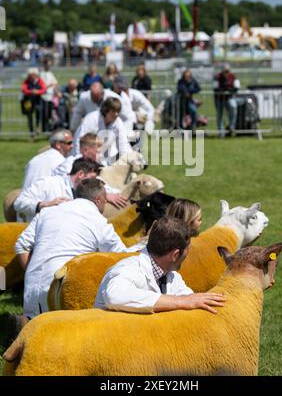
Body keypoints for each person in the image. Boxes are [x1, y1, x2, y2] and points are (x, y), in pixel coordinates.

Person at [15, 178, 144, 320]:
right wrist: (142, 245)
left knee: (34, 328)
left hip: (31, 287)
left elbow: (21, 244)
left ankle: (22, 323)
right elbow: (120, 255)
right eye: (106, 200)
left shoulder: (46, 213)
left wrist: (31, 273)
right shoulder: (98, 221)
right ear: (98, 200)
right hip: (62, 288)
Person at [94, 216, 226, 313]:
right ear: (175, 255)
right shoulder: (127, 269)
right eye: (188, 250)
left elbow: (189, 298)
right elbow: (114, 296)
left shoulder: (171, 276)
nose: (188, 255)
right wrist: (180, 302)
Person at [53, 133, 128, 210]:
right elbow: (71, 187)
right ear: (85, 150)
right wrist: (106, 195)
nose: (101, 155)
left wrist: (120, 194)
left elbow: (100, 184)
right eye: (98, 152)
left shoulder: (95, 164)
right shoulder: (70, 164)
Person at [14, 158, 100, 222]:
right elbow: (19, 203)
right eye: (92, 178)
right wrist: (43, 205)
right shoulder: (48, 183)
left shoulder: (86, 193)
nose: (94, 182)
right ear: (80, 174)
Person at [72, 97, 133, 164]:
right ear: (105, 110)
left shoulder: (118, 122)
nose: (116, 114)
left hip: (105, 152)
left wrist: (129, 159)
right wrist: (79, 159)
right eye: (113, 111)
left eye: (118, 111)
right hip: (89, 153)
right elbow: (79, 140)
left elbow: (123, 143)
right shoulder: (91, 118)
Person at [213, 64, 241, 137]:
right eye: (225, 71)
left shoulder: (233, 76)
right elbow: (215, 88)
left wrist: (229, 90)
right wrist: (224, 89)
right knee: (220, 114)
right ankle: (221, 132)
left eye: (228, 71)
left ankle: (232, 126)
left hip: (229, 98)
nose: (227, 73)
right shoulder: (217, 77)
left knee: (233, 107)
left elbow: (237, 87)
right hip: (219, 99)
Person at [21, 67, 47, 136]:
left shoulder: (40, 81)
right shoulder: (26, 81)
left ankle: (37, 127)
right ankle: (31, 132)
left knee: (38, 113)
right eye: (30, 75)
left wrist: (37, 92)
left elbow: (44, 89)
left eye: (32, 75)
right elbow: (24, 89)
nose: (31, 76)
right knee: (29, 116)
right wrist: (31, 92)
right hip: (28, 101)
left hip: (37, 100)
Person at [40, 58, 59, 132]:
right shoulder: (42, 74)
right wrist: (49, 85)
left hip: (50, 96)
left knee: (49, 114)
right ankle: (44, 129)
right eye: (48, 64)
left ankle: (49, 129)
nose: (49, 66)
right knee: (44, 114)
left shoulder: (50, 73)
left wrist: (53, 86)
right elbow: (43, 85)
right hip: (44, 96)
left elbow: (55, 82)